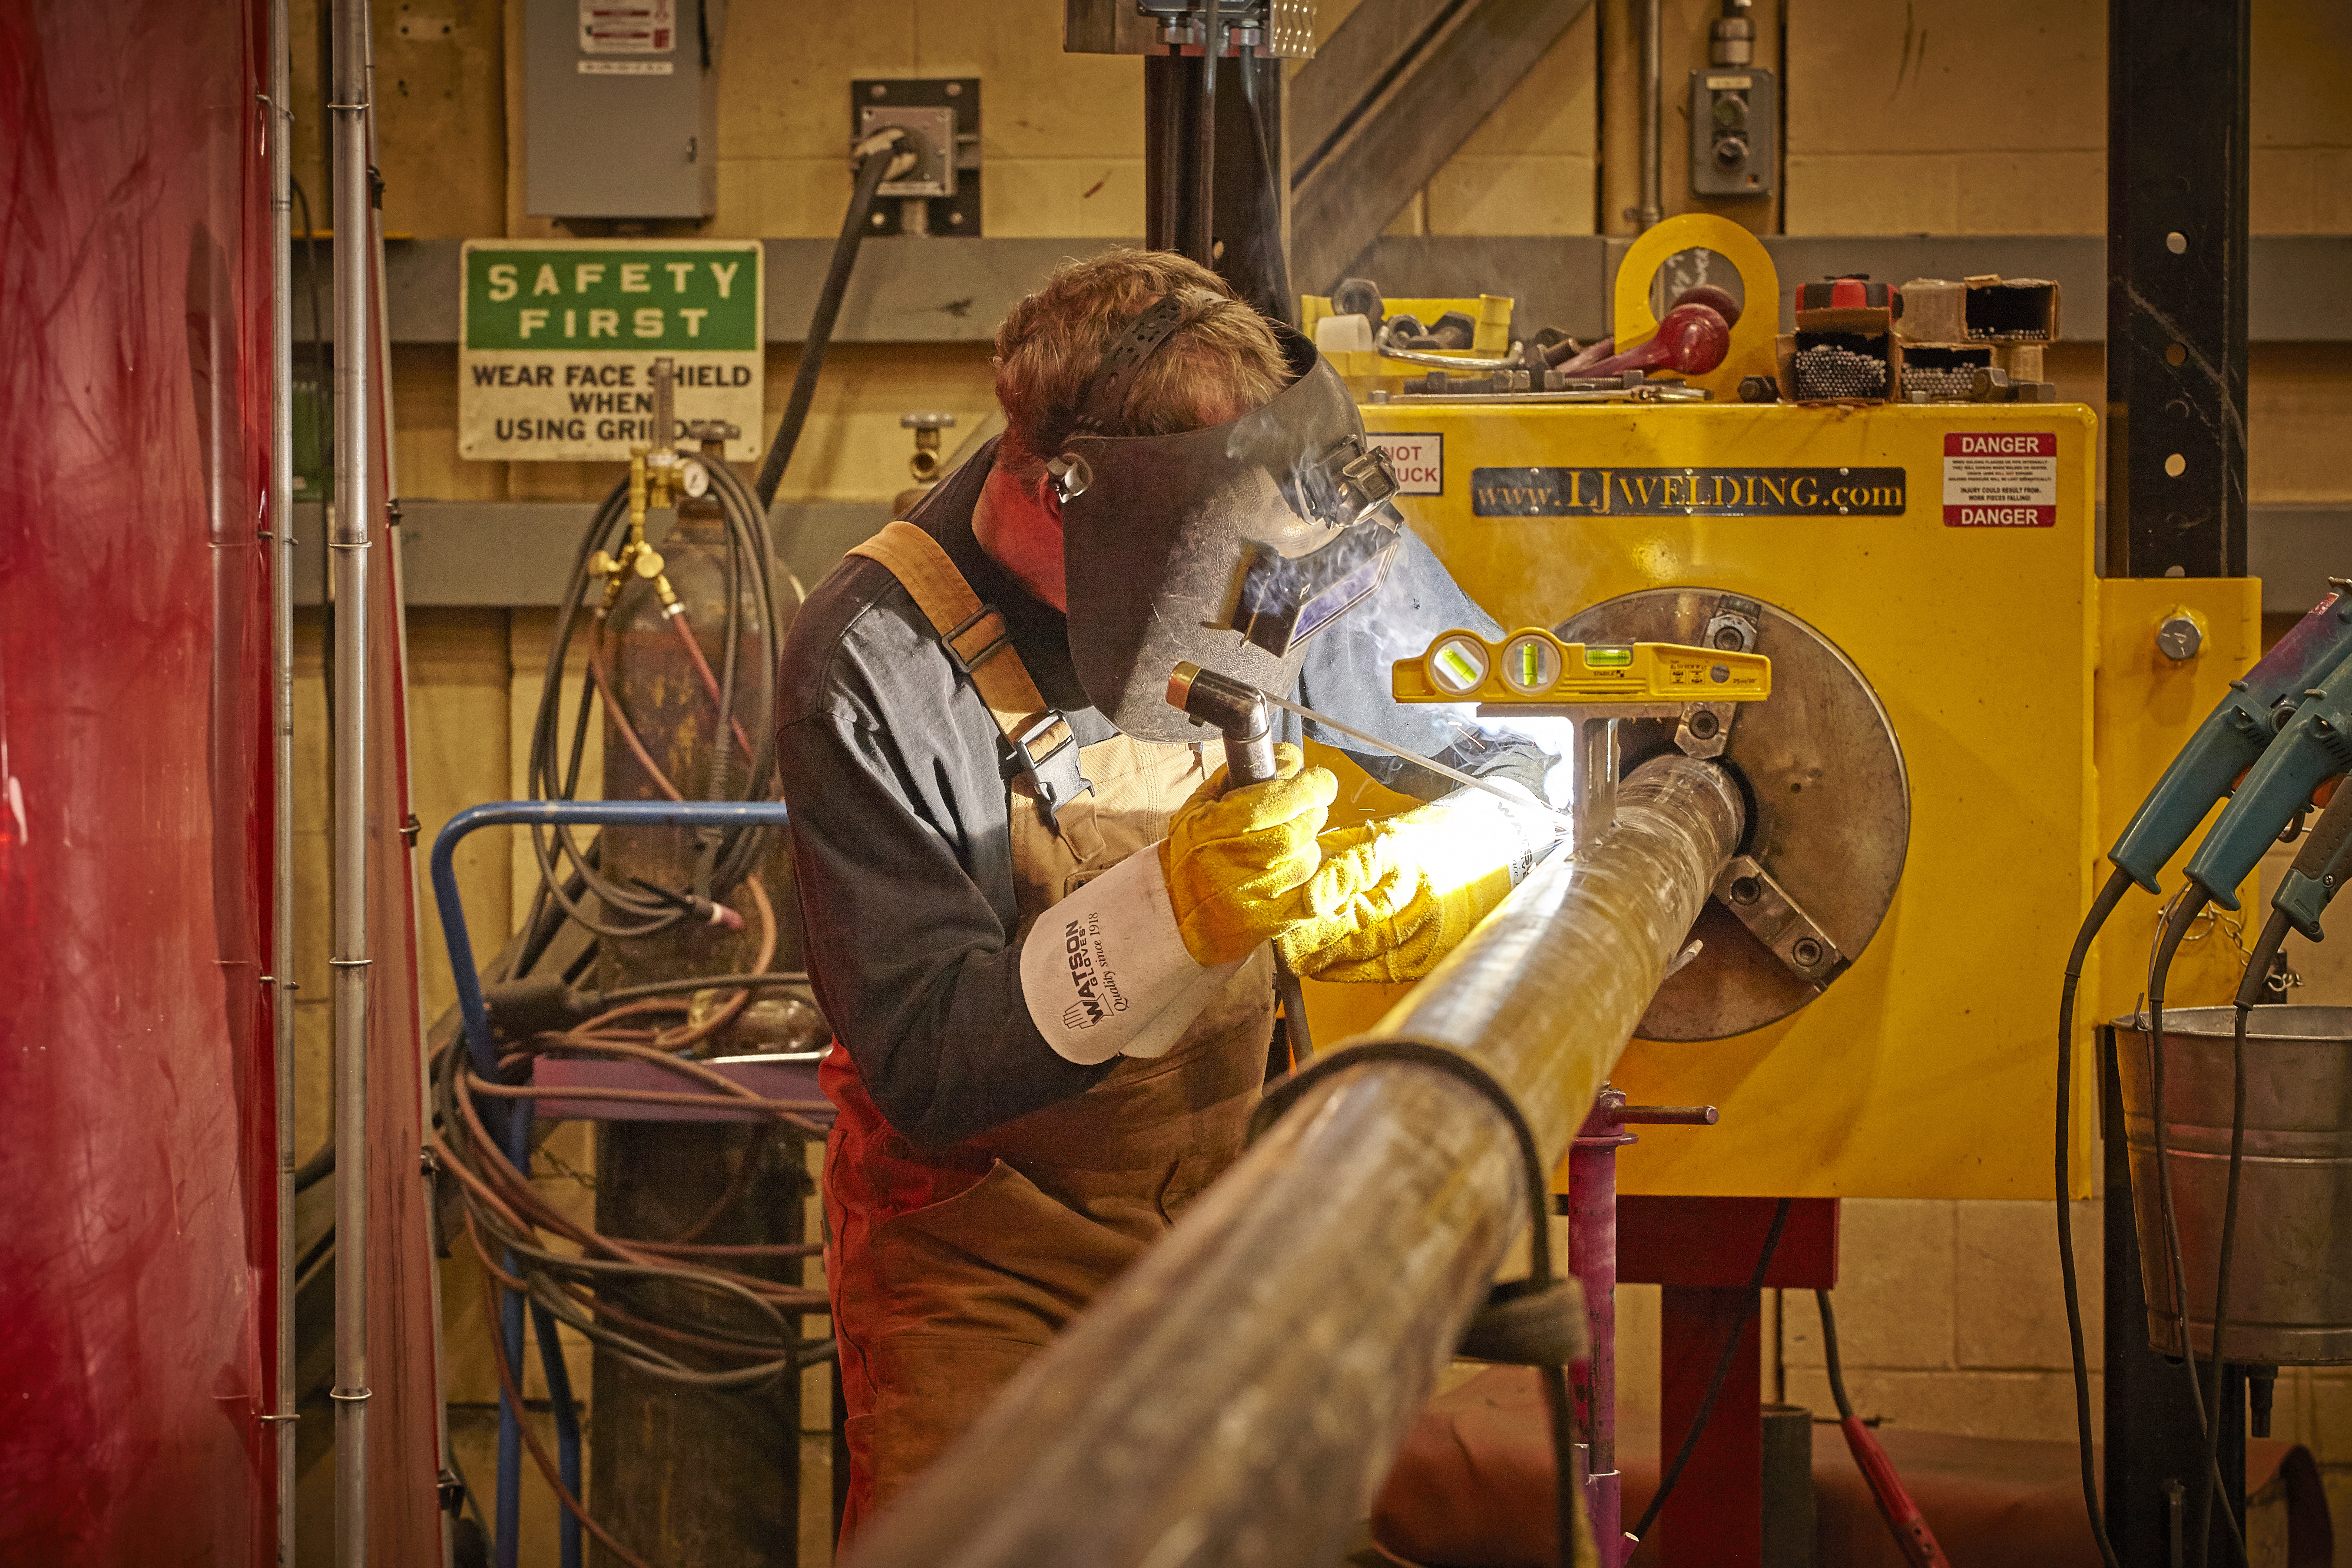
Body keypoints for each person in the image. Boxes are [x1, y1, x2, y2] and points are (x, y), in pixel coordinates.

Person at [775, 248, 1559, 1542]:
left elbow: (1519, 754)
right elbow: (926, 1061)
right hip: (984, 1271)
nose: (1263, 589)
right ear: (1059, 492)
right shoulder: (871, 665)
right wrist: (1168, 919)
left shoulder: (1268, 531)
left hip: (1229, 1236)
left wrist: (1442, 857)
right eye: (1219, 548)